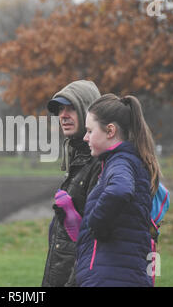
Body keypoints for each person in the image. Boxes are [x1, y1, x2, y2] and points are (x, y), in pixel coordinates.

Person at [75, 93, 161, 287]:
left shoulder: (120, 162)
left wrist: (95, 224)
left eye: (90, 130)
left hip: (110, 279)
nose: (85, 137)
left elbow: (120, 190)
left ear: (110, 131)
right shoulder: (125, 162)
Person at [41, 80, 102, 287]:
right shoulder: (78, 158)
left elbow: (96, 243)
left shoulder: (99, 163)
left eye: (71, 108)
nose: (63, 115)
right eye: (60, 109)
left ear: (88, 111)